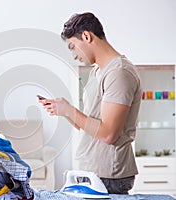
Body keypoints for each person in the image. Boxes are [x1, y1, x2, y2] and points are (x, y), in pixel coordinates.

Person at [39, 12, 142, 194]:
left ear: (86, 36)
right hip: (93, 172)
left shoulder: (118, 73)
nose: (74, 55)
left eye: (72, 47)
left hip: (109, 176)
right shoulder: (98, 72)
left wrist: (70, 111)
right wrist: (63, 111)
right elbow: (92, 128)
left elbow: (108, 134)